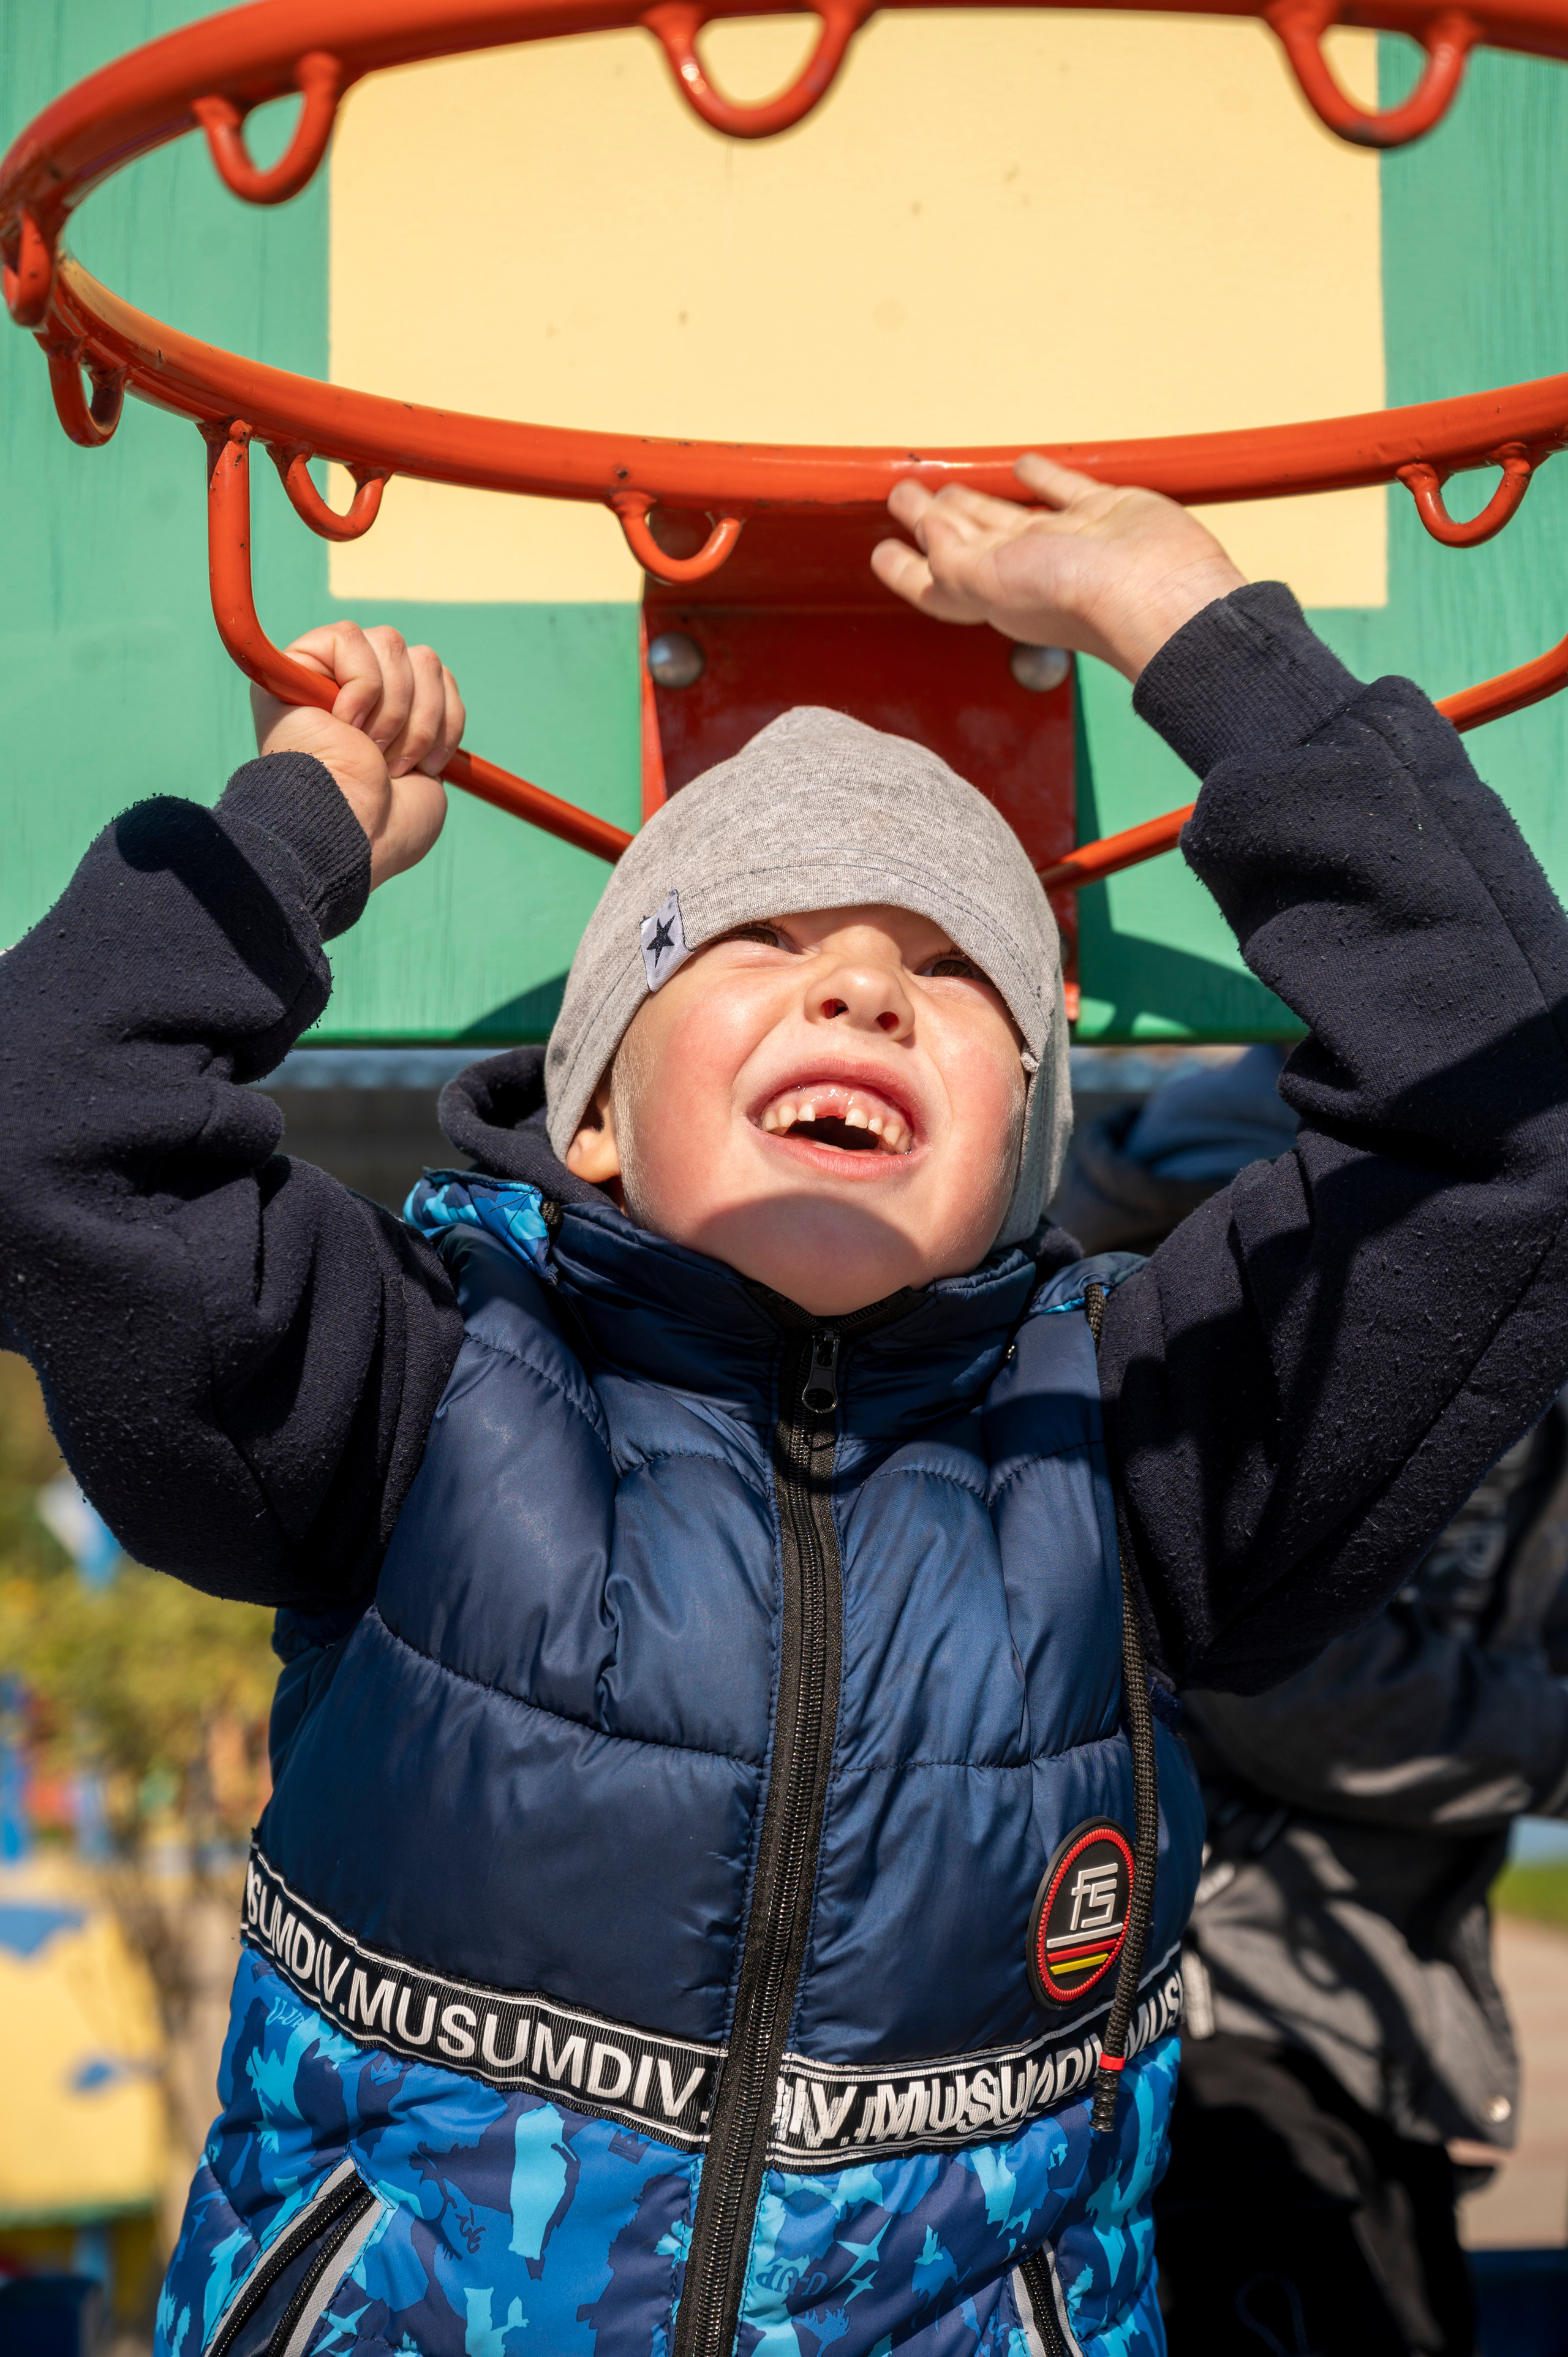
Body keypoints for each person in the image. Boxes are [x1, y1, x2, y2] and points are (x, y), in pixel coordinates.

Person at [2, 455, 1567, 2357]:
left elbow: (1511, 1132)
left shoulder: (1132, 1454)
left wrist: (1185, 622)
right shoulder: (419, 1383)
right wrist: (301, 822)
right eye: (759, 938)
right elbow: (54, 1135)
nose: (866, 985)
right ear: (591, 1110)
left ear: (1019, 1165)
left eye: (955, 973)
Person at [1057, 1046, 1568, 2357]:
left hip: (1373, 2033)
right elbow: (1284, 1686)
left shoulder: (1505, 1328)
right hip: (1219, 2013)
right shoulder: (1242, 1293)